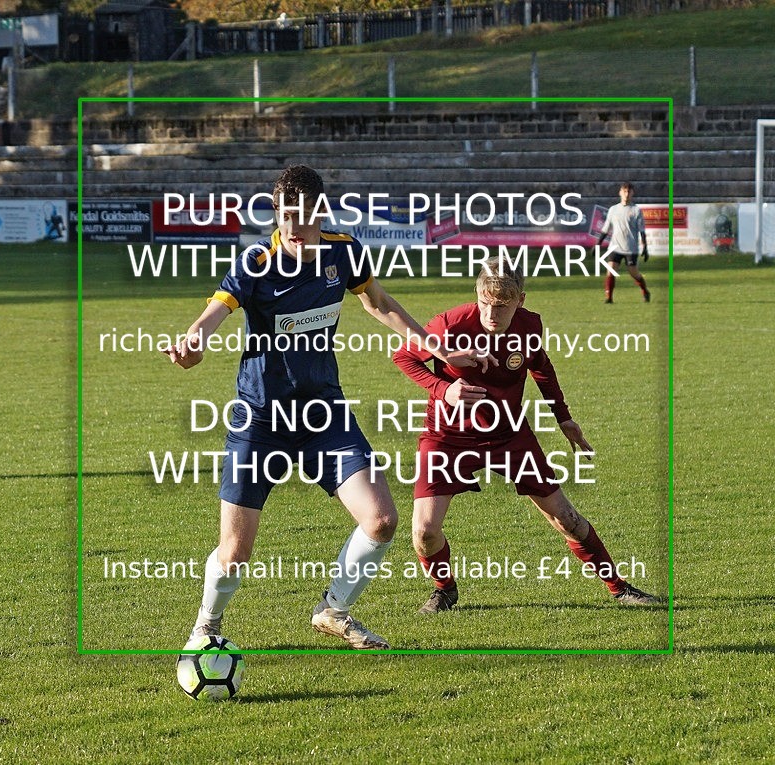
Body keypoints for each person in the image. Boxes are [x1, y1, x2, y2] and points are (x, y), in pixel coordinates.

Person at [165, 165, 490, 650]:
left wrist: (440, 351)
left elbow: (379, 303)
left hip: (323, 414)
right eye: (284, 214)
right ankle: (205, 629)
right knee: (236, 550)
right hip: (260, 418)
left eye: (302, 214)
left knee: (381, 520)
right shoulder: (257, 260)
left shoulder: (342, 250)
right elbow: (216, 310)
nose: (293, 225)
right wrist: (195, 340)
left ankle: (333, 610)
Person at [392, 257, 658, 614]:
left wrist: (563, 419)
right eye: (485, 302)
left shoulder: (530, 326)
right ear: (477, 294)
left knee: (567, 518)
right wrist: (443, 389)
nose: (491, 313)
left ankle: (618, 587)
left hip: (508, 433)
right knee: (424, 531)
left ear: (520, 300)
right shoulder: (450, 324)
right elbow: (404, 356)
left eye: (501, 306)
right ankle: (444, 590)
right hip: (448, 435)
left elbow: (541, 367)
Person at [596, 182, 650, 304]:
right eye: (624, 191)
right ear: (620, 193)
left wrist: (645, 247)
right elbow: (606, 228)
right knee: (611, 270)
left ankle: (645, 291)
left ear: (632, 193)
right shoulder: (613, 209)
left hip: (631, 248)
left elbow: (642, 230)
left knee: (633, 273)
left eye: (629, 192)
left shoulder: (636, 210)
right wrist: (598, 244)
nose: (626, 194)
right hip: (615, 247)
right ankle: (609, 297)